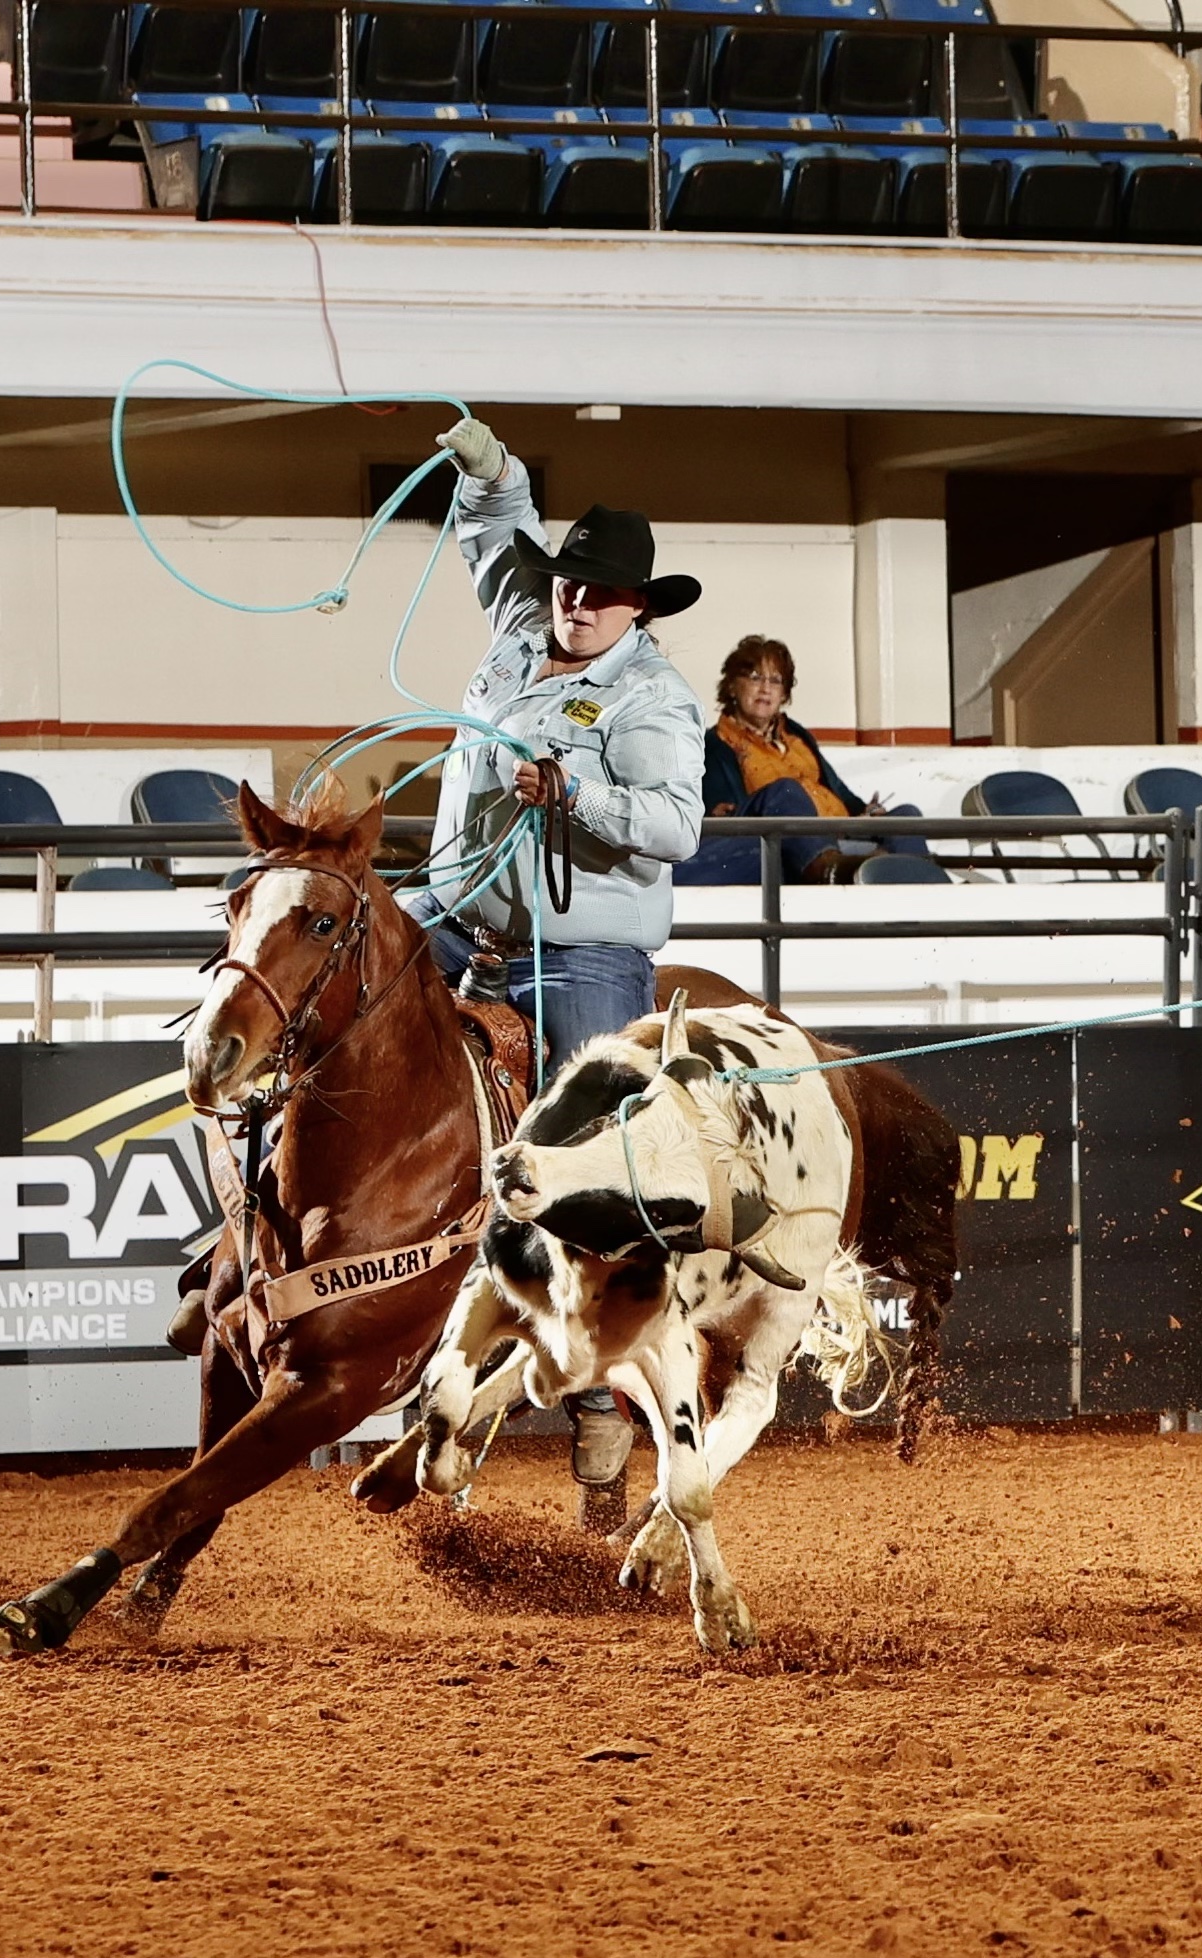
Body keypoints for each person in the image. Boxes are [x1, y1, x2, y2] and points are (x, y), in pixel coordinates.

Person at [419, 415, 710, 1529]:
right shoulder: (522, 618)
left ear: (638, 607)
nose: (576, 601)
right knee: (322, 978)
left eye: (600, 592)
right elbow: (498, 528)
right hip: (456, 913)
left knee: (593, 1148)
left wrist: (576, 794)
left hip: (580, 946)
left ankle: (600, 1387)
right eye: (568, 582)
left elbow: (675, 826)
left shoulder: (654, 701)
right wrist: (487, 461)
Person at [689, 635, 882, 886]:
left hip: (838, 829)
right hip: (777, 837)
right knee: (787, 790)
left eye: (775, 680)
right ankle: (828, 870)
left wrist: (868, 811)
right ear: (732, 687)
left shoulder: (796, 735)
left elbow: (839, 791)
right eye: (755, 677)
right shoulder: (714, 745)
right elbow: (720, 811)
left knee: (906, 815)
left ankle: (921, 884)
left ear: (784, 693)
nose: (765, 688)